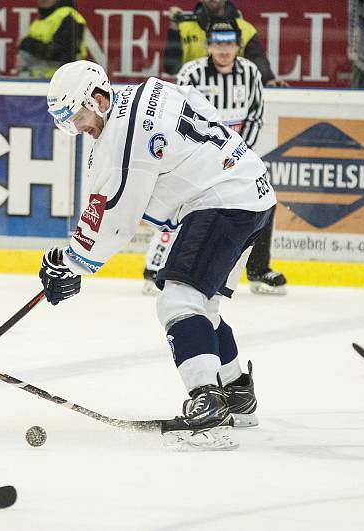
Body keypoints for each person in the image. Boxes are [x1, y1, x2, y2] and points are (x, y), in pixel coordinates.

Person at [41, 60, 275, 449]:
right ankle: (237, 394)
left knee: (177, 301)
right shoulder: (148, 91)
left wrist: (69, 262)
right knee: (205, 308)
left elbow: (114, 219)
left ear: (98, 98)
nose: (78, 128)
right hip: (253, 190)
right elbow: (203, 110)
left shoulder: (121, 136)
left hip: (222, 199)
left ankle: (208, 407)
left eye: (78, 115)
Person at [143, 20, 286, 296]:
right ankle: (155, 265)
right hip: (197, 157)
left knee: (262, 195)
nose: (224, 50)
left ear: (238, 46)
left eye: (229, 43)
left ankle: (257, 269)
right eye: (218, 43)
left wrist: (238, 153)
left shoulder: (251, 73)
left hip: (237, 156)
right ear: (208, 45)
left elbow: (256, 115)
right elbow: (179, 118)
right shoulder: (191, 73)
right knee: (182, 206)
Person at [164, 0, 288, 87]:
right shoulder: (183, 27)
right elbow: (171, 68)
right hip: (192, 97)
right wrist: (174, 28)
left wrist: (269, 80)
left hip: (234, 97)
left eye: (228, 43)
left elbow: (258, 60)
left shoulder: (245, 29)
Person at [13, 0, 87, 79]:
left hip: (61, 81)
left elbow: (62, 53)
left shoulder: (69, 16)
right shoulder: (41, 19)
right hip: (36, 80)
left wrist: (25, 43)